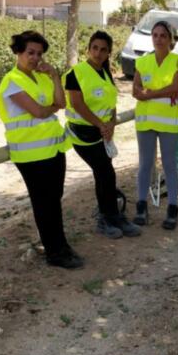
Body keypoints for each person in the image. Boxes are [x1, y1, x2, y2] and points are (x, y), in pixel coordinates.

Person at [0, 30, 83, 269]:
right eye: (30, 53)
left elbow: (61, 103)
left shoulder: (43, 76)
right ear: (18, 52)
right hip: (30, 155)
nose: (35, 58)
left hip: (53, 150)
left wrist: (55, 76)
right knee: (44, 203)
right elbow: (38, 111)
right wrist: (50, 108)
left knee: (54, 200)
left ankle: (60, 245)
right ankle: (55, 252)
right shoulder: (12, 82)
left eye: (39, 54)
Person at [63, 31, 141, 239]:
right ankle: (107, 218)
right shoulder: (76, 73)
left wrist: (111, 124)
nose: (98, 53)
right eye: (95, 48)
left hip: (102, 132)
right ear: (88, 49)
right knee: (105, 172)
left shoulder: (105, 73)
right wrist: (100, 124)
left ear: (108, 54)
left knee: (106, 173)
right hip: (83, 134)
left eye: (103, 49)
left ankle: (112, 216)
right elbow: (78, 104)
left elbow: (110, 104)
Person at [132, 21, 178, 229]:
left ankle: (173, 208)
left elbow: (176, 87)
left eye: (163, 35)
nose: (158, 39)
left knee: (169, 165)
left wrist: (148, 94)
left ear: (171, 39)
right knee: (145, 165)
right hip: (145, 121)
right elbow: (135, 91)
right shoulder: (142, 62)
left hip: (169, 121)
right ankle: (141, 206)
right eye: (155, 35)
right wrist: (157, 92)